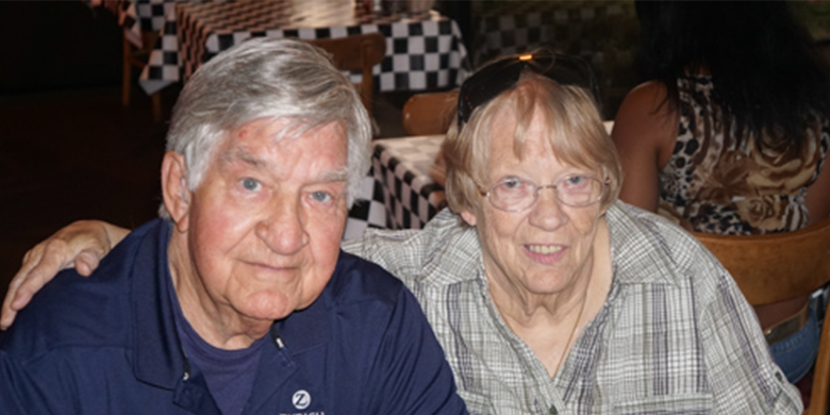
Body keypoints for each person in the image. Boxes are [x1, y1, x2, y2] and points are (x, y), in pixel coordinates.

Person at [2, 50, 803, 414]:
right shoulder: (416, 282)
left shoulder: (679, 274)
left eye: (573, 182)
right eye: (513, 185)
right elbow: (277, 256)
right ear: (466, 202)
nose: (550, 215)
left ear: (607, 189)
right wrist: (119, 238)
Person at [0, 37, 468, 415]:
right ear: (179, 187)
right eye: (251, 184)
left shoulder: (376, 324)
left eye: (320, 195)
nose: (287, 236)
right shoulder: (58, 354)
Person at [612, 1, 830, 385]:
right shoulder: (818, 105)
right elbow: (807, 243)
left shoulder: (652, 107)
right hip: (786, 350)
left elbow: (625, 255)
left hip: (686, 360)